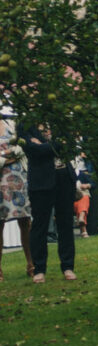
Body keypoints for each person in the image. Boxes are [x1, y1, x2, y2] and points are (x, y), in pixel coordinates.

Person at [22, 125, 77, 283]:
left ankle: (68, 266)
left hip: (64, 177)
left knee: (65, 223)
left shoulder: (57, 118)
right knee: (40, 225)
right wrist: (55, 145)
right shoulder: (26, 124)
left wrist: (43, 146)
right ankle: (39, 269)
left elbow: (70, 146)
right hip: (41, 181)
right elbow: (32, 150)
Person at [0, 110, 34, 281]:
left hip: (18, 180)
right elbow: (12, 153)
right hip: (0, 182)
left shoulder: (10, 125)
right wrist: (7, 157)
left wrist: (11, 155)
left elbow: (21, 147)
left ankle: (31, 263)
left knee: (25, 221)